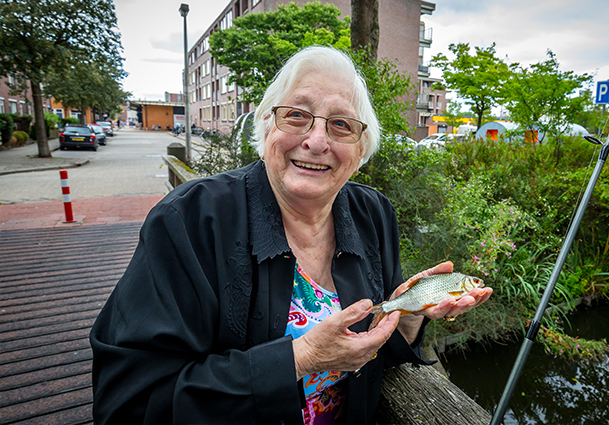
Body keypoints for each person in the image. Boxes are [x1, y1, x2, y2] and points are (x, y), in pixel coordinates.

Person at [90, 46, 491, 425]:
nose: (317, 141)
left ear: (360, 148)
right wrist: (301, 358)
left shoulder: (374, 214)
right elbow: (129, 404)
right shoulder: (188, 220)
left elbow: (374, 355)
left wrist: (407, 315)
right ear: (266, 126)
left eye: (341, 124)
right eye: (297, 115)